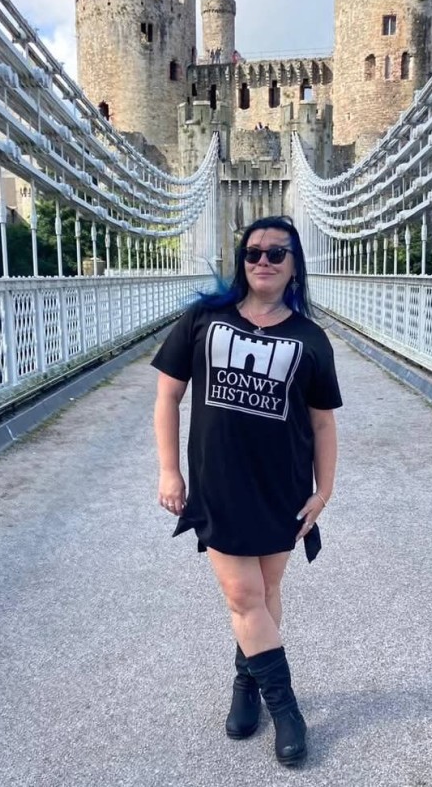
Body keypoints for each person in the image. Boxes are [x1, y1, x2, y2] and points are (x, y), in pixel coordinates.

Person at [151, 215, 341, 767]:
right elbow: (167, 397)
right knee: (243, 595)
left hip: (282, 487)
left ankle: (245, 684)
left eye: (277, 253)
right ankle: (287, 710)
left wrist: (323, 492)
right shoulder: (204, 319)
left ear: (294, 265)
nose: (263, 261)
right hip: (221, 484)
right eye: (253, 251)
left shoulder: (310, 338)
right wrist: (169, 471)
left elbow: (323, 423)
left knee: (265, 590)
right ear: (242, 260)